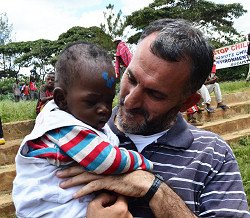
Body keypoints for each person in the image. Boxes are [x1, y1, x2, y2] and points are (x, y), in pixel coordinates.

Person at [57, 19, 250, 217]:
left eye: (154, 94)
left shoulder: (214, 155)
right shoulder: (73, 132)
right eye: (131, 78)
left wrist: (155, 189)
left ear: (187, 102)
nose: (130, 101)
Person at [12, 42, 153, 218]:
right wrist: (144, 163)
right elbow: (107, 160)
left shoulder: (77, 118)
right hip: (50, 209)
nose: (104, 109)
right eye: (92, 102)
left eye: (108, 101)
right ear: (62, 99)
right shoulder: (64, 127)